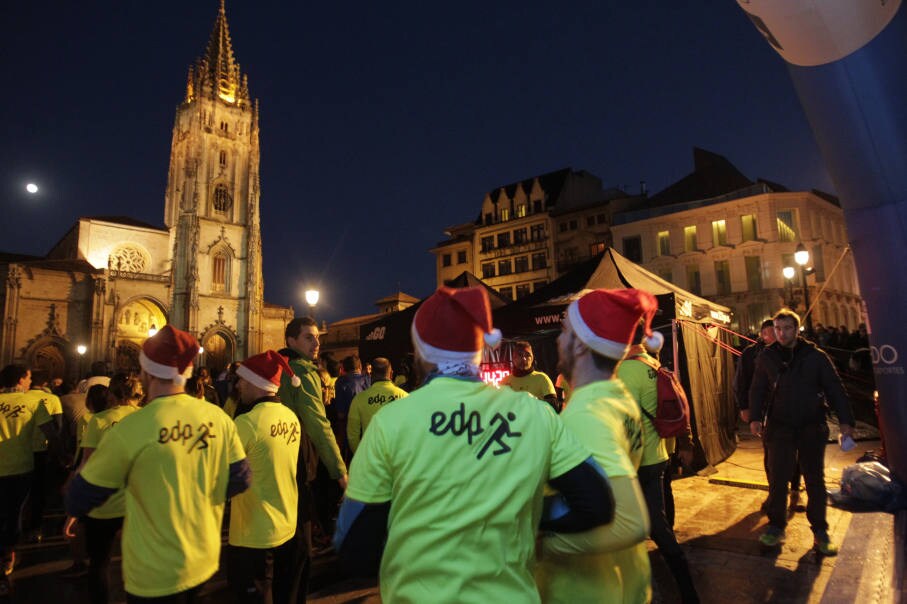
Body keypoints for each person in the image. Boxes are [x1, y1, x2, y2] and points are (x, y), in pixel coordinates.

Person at [334, 285, 614, 603]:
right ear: (479, 350)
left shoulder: (391, 421)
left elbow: (354, 548)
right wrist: (527, 509)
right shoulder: (534, 414)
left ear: (422, 351)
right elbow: (597, 502)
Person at [65, 325, 251, 601]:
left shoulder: (132, 428)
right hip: (203, 557)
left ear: (147, 372)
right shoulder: (218, 418)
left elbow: (80, 496)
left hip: (153, 570)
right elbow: (241, 478)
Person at [535, 288, 654, 604]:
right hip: (622, 582)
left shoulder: (587, 415)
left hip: (586, 590)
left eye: (565, 332)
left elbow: (631, 522)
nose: (559, 341)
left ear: (580, 346)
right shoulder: (617, 396)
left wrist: (541, 540)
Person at [749, 309, 856, 555]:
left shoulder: (815, 357)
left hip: (811, 425)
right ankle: (776, 525)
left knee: (814, 480)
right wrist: (755, 417)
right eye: (778, 328)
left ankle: (820, 530)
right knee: (778, 478)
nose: (782, 333)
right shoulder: (767, 357)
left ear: (797, 330)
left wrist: (846, 420)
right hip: (780, 426)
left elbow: (834, 388)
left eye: (787, 328)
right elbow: (757, 388)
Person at [618, 325, 699, 603]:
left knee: (634, 528)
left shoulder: (627, 371)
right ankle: (686, 591)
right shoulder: (653, 363)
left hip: (636, 462)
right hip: (658, 457)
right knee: (656, 525)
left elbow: (625, 421)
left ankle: (641, 591)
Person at [277, 317, 347, 601]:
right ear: (291, 341)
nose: (317, 343)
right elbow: (318, 424)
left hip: (277, 458)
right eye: (309, 337)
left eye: (317, 337)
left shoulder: (280, 368)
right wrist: (339, 470)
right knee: (299, 548)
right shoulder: (303, 374)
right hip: (296, 461)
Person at [227, 351, 303, 604]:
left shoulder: (246, 423)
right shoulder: (291, 417)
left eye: (242, 380)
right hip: (286, 525)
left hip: (254, 534)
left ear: (255, 383)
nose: (238, 385)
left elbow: (224, 474)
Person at [66, 374, 142, 604]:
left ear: (111, 394)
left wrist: (73, 509)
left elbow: (86, 466)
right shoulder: (147, 418)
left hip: (103, 502)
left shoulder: (97, 421)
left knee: (100, 562)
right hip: (138, 500)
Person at [735, 319, 802, 514]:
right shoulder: (752, 354)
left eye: (779, 331)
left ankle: (795, 494)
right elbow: (742, 383)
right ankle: (774, 494)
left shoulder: (793, 352)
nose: (775, 336)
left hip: (792, 412)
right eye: (770, 332)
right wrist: (746, 408)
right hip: (766, 413)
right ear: (763, 334)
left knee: (796, 454)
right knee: (771, 455)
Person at [0, 364, 56, 592]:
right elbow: (51, 432)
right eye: (29, 377)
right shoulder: (35, 403)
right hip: (20, 467)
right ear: (22, 379)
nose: (30, 382)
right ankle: (7, 558)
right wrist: (61, 455)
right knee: (12, 515)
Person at [21, 369, 64, 544]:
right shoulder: (53, 399)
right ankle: (35, 528)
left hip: (21, 449)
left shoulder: (24, 398)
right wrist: (59, 452)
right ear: (46, 383)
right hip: (42, 450)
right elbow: (57, 428)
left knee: (22, 492)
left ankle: (20, 524)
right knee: (39, 491)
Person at [346, 357, 408, 454]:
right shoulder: (404, 397)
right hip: (399, 459)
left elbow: (352, 436)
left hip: (372, 458)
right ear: (391, 374)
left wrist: (362, 456)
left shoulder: (359, 400)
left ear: (371, 375)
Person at [501, 341, 559, 411]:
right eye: (520, 355)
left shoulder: (542, 378)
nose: (524, 359)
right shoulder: (505, 381)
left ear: (532, 358)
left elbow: (554, 408)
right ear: (513, 358)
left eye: (527, 355)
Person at [332, 355, 369, 461]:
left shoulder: (341, 382)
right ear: (360, 366)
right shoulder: (368, 379)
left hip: (349, 429)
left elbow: (341, 413)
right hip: (367, 427)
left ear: (343, 368)